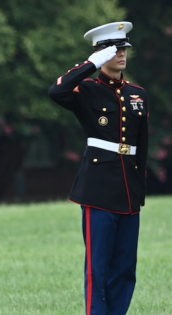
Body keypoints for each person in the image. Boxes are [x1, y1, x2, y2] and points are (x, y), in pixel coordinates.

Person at [48, 22, 149, 315]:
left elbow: (141, 145)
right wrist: (91, 64)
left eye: (124, 49)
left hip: (128, 191)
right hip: (98, 189)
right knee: (98, 268)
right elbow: (56, 91)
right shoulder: (87, 90)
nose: (121, 55)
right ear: (102, 54)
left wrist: (140, 191)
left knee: (125, 268)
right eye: (114, 50)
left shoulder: (137, 93)